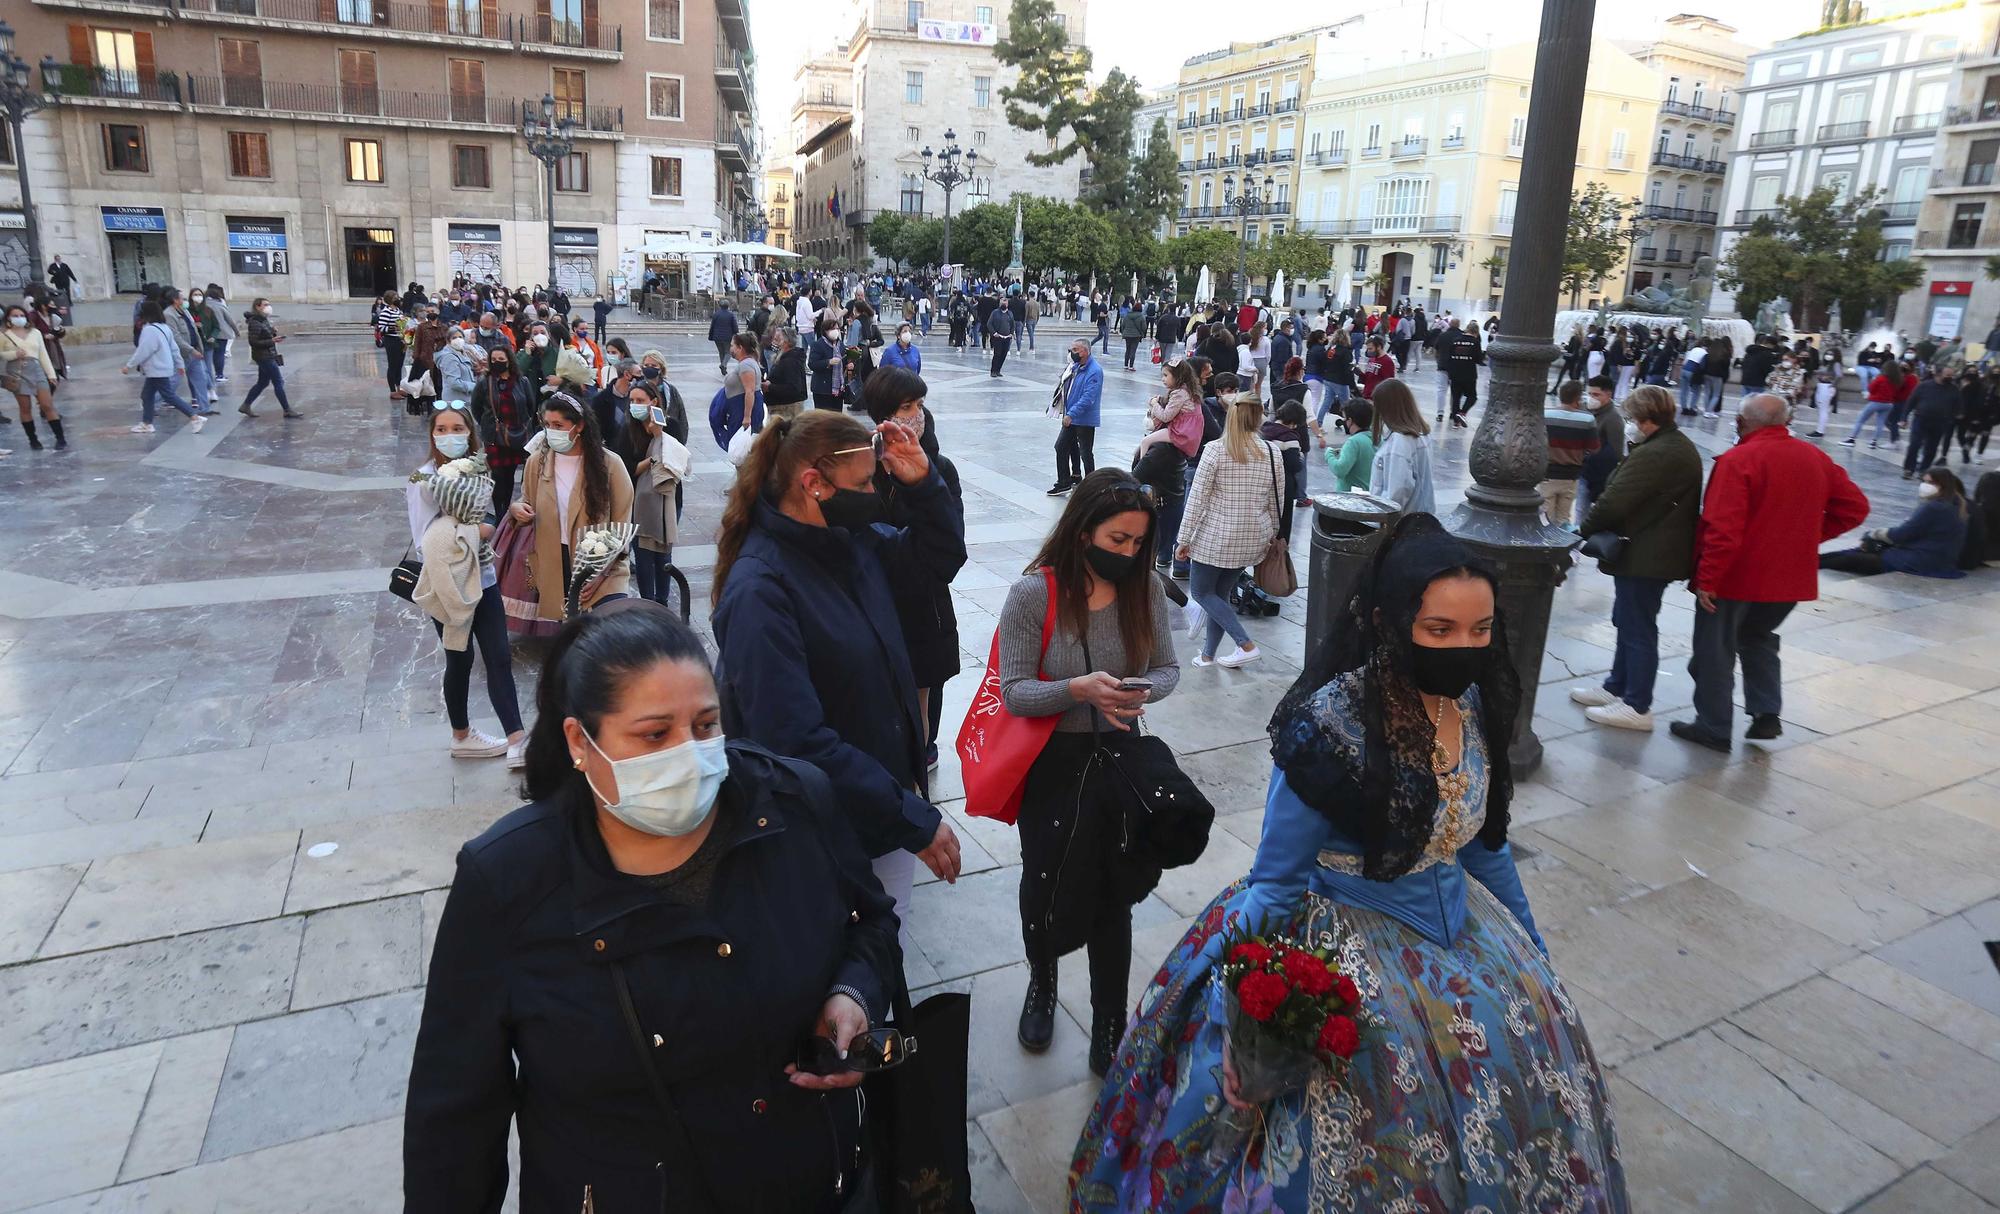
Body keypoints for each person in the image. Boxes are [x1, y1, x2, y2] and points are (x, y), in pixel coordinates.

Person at [1070, 512, 1628, 1214]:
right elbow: (1275, 887)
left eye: (1480, 631)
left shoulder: (1476, 704)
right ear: (1396, 623)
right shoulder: (1330, 727)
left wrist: (1535, 955)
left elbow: (1484, 850)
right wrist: (1244, 1037)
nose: (1465, 648)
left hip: (1472, 939)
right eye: (1441, 630)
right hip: (1341, 941)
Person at [403, 603, 900, 1212]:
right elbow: (453, 1119)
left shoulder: (794, 804)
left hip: (813, 1184)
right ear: (580, 743)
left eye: (707, 724)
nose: (689, 754)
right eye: (655, 734)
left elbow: (871, 920)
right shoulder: (508, 881)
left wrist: (853, 993)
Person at [710, 410, 967, 940]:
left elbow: (937, 559)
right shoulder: (761, 589)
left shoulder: (851, 541)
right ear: (813, 485)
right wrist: (911, 817)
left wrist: (924, 484)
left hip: (881, 807)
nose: (875, 492)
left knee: (880, 952)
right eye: (865, 482)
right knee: (843, 969)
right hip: (820, 830)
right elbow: (793, 739)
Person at [998, 470, 1181, 1074]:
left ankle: (1109, 1020)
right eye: (1118, 539)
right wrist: (1076, 689)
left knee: (1114, 893)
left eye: (1138, 543)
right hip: (1053, 763)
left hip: (1120, 759)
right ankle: (1042, 982)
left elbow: (1167, 669)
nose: (1128, 553)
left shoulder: (1145, 590)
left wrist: (1136, 691)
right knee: (1045, 882)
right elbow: (1016, 692)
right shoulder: (1035, 595)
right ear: (1082, 534)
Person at [1672, 394, 1870, 753]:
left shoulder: (1738, 460)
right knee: (1758, 636)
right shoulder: (1815, 456)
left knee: (1715, 650)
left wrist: (1708, 579)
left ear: (1743, 423)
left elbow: (1722, 528)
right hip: (1789, 577)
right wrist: (1806, 537)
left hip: (1737, 577)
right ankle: (1766, 713)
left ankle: (1713, 727)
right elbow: (1855, 508)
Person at [1570, 387, 1702, 731]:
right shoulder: (1671, 446)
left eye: (1632, 418)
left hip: (1648, 553)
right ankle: (1617, 686)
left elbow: (1616, 498)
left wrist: (1583, 529)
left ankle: (1637, 704)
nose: (1629, 423)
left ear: (1646, 420)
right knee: (1628, 620)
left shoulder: (1659, 452)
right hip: (1650, 550)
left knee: (1637, 626)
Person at [407, 403, 527, 767]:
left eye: (456, 428)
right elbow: (424, 538)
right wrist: (472, 533)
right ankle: (461, 735)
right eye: (441, 429)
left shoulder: (477, 470)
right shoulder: (423, 478)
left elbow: (488, 512)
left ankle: (517, 738)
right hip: (447, 583)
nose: (448, 435)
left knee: (499, 656)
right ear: (432, 435)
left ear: (469, 433)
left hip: (484, 577)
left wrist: (483, 528)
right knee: (459, 658)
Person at [864, 368, 962, 769]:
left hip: (925, 598)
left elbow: (949, 541)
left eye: (919, 405)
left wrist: (920, 482)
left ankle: (926, 746)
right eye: (906, 407)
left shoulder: (939, 466)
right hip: (878, 596)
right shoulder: (863, 465)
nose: (916, 415)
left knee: (926, 683)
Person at [505, 393, 634, 619]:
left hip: (600, 563)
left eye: (558, 425)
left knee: (602, 631)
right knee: (570, 626)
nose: (551, 431)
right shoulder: (538, 462)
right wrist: (517, 509)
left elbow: (622, 521)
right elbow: (526, 500)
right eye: (547, 425)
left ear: (580, 426)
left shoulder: (610, 464)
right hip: (555, 559)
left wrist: (602, 573)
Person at [1177, 391, 1280, 669]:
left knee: (1201, 592)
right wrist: (1270, 535)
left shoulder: (1215, 450)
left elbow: (1196, 499)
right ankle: (1208, 655)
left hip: (1215, 537)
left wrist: (1183, 539)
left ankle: (1245, 644)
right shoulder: (1272, 452)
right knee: (1219, 595)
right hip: (1252, 538)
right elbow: (1276, 501)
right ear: (1259, 417)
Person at [1820, 468, 1972, 578]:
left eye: (1930, 482)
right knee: (1852, 554)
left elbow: (1902, 534)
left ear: (1942, 485)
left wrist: (1874, 534)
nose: (1925, 486)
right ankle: (1813, 561)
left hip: (1919, 560)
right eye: (1924, 481)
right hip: (1938, 559)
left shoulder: (1934, 507)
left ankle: (1812, 562)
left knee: (1850, 558)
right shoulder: (1956, 504)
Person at [615, 378, 688, 605]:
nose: (635, 404)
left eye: (641, 400)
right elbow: (626, 469)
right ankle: (648, 602)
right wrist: (651, 460)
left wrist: (659, 436)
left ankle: (662, 600)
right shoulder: (627, 430)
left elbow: (678, 461)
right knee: (644, 555)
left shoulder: (670, 425)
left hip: (667, 498)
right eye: (632, 400)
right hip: (640, 501)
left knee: (663, 553)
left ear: (654, 401)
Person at [122, 300, 198, 434]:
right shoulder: (164, 327)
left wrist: (129, 365)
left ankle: (194, 416)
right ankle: (147, 423)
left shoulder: (149, 330)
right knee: (147, 395)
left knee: (168, 396)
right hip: (161, 368)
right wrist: (179, 364)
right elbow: (174, 348)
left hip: (157, 369)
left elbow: (144, 350)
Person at [1538, 380, 1601, 530]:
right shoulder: (1587, 420)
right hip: (1571, 477)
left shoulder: (1546, 415)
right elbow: (1594, 448)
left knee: (1545, 518)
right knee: (1563, 519)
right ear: (1578, 398)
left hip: (1548, 474)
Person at [1, 304, 66, 450]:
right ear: (9, 318)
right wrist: (13, 354)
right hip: (17, 371)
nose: (19, 318)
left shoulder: (35, 332)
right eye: (15, 316)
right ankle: (33, 439)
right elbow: (1, 354)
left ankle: (60, 438)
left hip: (35, 369)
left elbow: (43, 354)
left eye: (21, 315)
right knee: (25, 408)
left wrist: (50, 374)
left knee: (47, 405)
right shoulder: (4, 335)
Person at [1367, 379, 1436, 513]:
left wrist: (1377, 520)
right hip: (1421, 516)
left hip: (1402, 522)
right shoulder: (1421, 434)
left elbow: (1396, 493)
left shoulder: (1400, 441)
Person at [1049, 337, 1104, 495]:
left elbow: (1088, 397)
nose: (1071, 353)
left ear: (1085, 352)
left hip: (1084, 419)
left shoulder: (1094, 371)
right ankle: (1064, 482)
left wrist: (1071, 414)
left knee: (1085, 452)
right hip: (1071, 417)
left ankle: (1092, 484)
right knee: (1061, 447)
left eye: (1075, 350)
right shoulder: (1075, 367)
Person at [233, 297, 300, 419]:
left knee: (262, 382)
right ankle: (287, 409)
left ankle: (246, 405)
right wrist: (271, 340)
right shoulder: (255, 322)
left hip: (268, 354)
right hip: (264, 356)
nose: (268, 307)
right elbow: (253, 341)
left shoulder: (263, 320)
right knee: (278, 381)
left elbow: (264, 335)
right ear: (258, 306)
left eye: (269, 304)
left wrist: (273, 332)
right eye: (265, 304)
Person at [1575, 375, 1625, 523]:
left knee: (1589, 511)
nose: (1591, 398)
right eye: (1589, 394)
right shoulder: (1584, 409)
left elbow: (1616, 451)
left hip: (1596, 473)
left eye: (1596, 394)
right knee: (1580, 509)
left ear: (1608, 395)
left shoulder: (1613, 419)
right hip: (1581, 469)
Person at [1902, 367, 1961, 479]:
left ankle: (1924, 470)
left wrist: (1953, 417)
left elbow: (1958, 406)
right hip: (1921, 419)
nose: (1950, 377)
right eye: (1947, 375)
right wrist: (1904, 418)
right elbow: (1911, 400)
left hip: (1940, 422)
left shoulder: (1954, 389)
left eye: (1951, 375)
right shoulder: (1924, 386)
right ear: (1938, 375)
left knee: (1931, 448)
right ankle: (1908, 469)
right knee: (1914, 445)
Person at [1843, 359, 1909, 448]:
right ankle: (1874, 442)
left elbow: (1871, 388)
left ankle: (1851, 439)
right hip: (1888, 404)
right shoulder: (1897, 380)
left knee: (1861, 420)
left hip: (1876, 402)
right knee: (1880, 423)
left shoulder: (1881, 378)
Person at [1314, 398, 1375, 493]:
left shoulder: (1354, 442)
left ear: (1350, 421)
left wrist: (1329, 454)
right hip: (1370, 493)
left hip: (1350, 496)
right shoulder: (1376, 438)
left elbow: (1340, 470)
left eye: (1345, 419)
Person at [1435, 317, 1483, 426]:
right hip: (1469, 373)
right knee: (1472, 396)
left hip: (1454, 372)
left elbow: (1449, 354)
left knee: (1455, 396)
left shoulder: (1456, 340)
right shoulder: (1475, 342)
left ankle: (1455, 421)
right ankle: (1462, 413)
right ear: (1476, 332)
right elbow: (1479, 359)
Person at [763, 326, 808, 421]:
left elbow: (793, 388)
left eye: (777, 339)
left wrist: (770, 387)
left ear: (786, 342)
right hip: (780, 408)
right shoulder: (783, 358)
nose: (774, 343)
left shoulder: (791, 361)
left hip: (787, 410)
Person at [200, 284, 239, 385]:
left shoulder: (202, 305)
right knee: (220, 353)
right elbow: (229, 320)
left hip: (207, 333)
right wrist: (236, 331)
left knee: (208, 354)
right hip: (222, 333)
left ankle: (207, 375)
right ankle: (219, 375)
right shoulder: (220, 305)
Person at [1357, 333, 1397, 399]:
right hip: (1367, 395)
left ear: (1379, 347)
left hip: (1377, 398)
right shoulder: (1371, 359)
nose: (1368, 351)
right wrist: (1359, 373)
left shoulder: (1387, 362)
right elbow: (1368, 379)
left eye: (1370, 349)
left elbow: (1388, 384)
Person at [706, 299, 739, 375]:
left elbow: (712, 326)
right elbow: (734, 326)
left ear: (720, 306)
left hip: (717, 337)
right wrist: (736, 333)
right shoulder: (731, 315)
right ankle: (723, 365)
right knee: (728, 352)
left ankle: (723, 367)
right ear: (728, 306)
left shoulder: (716, 314)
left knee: (721, 352)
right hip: (727, 337)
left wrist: (710, 336)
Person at [988, 296, 1017, 377]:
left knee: (1003, 354)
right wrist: (994, 333)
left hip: (1007, 337)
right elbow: (989, 324)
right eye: (1002, 302)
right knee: (997, 354)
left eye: (1005, 302)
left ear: (1007, 304)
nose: (1004, 304)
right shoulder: (995, 312)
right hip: (998, 337)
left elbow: (1012, 325)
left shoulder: (1010, 313)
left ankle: (998, 370)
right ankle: (993, 370)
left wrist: (1011, 333)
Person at [1118, 303, 1148, 372]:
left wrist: (1124, 332)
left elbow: (1123, 325)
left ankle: (1125, 365)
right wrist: (1142, 333)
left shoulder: (1127, 315)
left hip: (1127, 334)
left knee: (1127, 349)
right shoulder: (1141, 316)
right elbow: (1144, 327)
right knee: (1133, 350)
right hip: (1136, 335)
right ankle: (1131, 366)